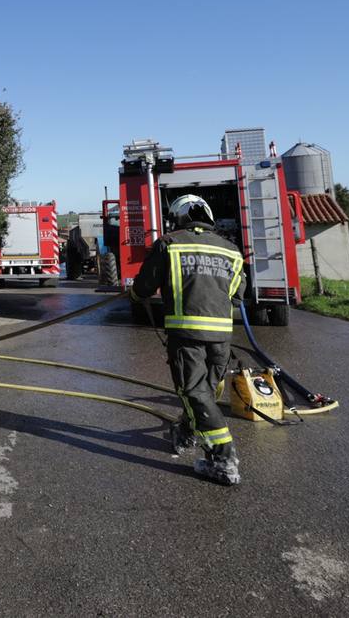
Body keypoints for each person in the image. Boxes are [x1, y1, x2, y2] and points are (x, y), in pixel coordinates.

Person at [130, 194, 245, 485]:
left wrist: (135, 294)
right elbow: (237, 293)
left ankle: (223, 457)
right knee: (205, 390)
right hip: (221, 336)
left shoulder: (169, 244)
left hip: (187, 334)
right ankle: (187, 430)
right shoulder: (231, 250)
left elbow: (144, 287)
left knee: (194, 392)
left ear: (178, 217)